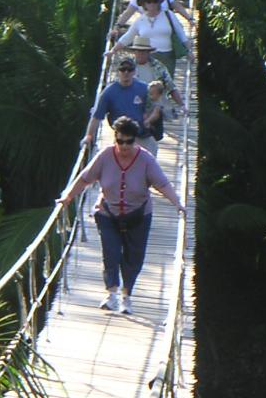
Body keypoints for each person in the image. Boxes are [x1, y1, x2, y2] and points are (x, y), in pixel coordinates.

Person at [57, 116, 186, 314]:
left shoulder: (145, 159)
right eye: (120, 141)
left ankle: (126, 296)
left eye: (129, 141)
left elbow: (162, 184)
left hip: (139, 215)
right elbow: (85, 179)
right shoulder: (105, 156)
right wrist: (67, 197)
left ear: (135, 140)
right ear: (115, 138)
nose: (124, 146)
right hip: (108, 213)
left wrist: (177, 203)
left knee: (134, 257)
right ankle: (111, 294)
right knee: (111, 253)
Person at [106, 0, 193, 76]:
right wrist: (113, 51)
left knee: (166, 82)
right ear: (144, 4)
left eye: (154, 1)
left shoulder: (169, 15)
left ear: (158, 3)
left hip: (167, 56)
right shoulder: (140, 20)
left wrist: (189, 51)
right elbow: (128, 37)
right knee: (148, 81)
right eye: (148, 2)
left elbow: (181, 34)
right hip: (147, 57)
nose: (151, 4)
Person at [82, 56, 157, 155]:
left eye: (129, 70)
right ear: (118, 72)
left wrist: (150, 120)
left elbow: (156, 108)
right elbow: (97, 117)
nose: (126, 72)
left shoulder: (144, 88)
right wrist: (89, 136)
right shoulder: (109, 92)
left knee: (148, 159)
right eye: (123, 69)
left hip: (142, 135)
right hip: (122, 139)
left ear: (134, 72)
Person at [128, 35, 188, 118]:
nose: (140, 54)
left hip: (154, 109)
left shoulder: (158, 67)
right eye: (138, 51)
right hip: (133, 107)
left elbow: (171, 87)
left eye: (143, 51)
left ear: (148, 52)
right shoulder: (127, 68)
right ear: (134, 52)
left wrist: (182, 105)